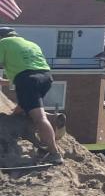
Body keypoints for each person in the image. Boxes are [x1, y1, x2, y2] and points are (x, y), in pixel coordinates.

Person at [0, 27, 63, 164]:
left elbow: (26, 76)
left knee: (39, 118)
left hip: (27, 81)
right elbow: (28, 68)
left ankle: (54, 153)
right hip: (46, 78)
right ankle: (53, 118)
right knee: (22, 110)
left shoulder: (3, 43)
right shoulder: (31, 44)